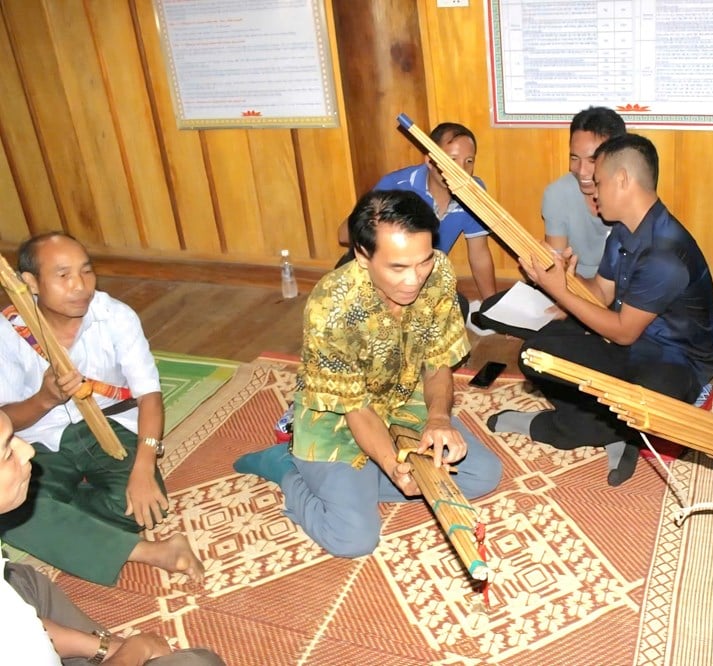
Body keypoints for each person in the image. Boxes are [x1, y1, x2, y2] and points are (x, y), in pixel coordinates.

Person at [234, 190, 502, 558]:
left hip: (402, 397)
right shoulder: (331, 305)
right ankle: (286, 468)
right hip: (337, 418)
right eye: (397, 268)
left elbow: (439, 359)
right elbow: (356, 408)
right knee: (354, 540)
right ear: (363, 255)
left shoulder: (437, 271)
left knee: (481, 475)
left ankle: (354, 485)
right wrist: (394, 467)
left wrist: (438, 419)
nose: (414, 279)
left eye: (421, 262)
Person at [488, 134, 713, 486]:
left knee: (646, 396)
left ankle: (558, 429)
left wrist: (559, 292)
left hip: (675, 364)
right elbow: (599, 292)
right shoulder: (623, 232)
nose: (593, 192)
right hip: (629, 349)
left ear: (622, 180)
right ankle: (615, 433)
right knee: (536, 351)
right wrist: (564, 280)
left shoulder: (666, 252)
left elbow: (623, 329)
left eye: (598, 182)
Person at [0, 233, 203, 587]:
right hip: (39, 441)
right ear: (30, 282)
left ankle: (58, 517)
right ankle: (149, 551)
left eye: (86, 272)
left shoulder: (116, 316)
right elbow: (5, 421)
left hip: (108, 429)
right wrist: (44, 400)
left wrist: (144, 465)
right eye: (63, 276)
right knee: (6, 511)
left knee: (143, 505)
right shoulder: (7, 332)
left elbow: (149, 396)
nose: (80, 286)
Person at [0, 411, 222, 665]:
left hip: (23, 595)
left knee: (21, 566)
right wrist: (138, 649)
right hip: (49, 445)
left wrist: (106, 647)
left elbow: (16, 622)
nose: (26, 450)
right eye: (7, 451)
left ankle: (67, 516)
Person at [476, 106, 627, 337]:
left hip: (616, 294)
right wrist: (560, 294)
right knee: (490, 310)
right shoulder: (557, 193)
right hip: (571, 286)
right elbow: (556, 262)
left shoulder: (626, 195)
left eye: (592, 160)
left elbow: (617, 285)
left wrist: (569, 305)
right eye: (574, 158)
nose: (582, 171)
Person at [337, 122, 498, 320]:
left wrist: (494, 310)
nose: (461, 170)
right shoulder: (398, 184)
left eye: (469, 161)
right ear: (430, 161)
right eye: (452, 160)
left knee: (459, 309)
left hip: (420, 276)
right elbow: (343, 235)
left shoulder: (474, 193)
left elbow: (479, 253)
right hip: (377, 273)